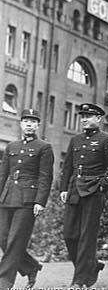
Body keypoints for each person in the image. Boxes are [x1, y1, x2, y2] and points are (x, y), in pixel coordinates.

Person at [60, 103, 108, 288]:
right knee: (69, 235)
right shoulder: (76, 140)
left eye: (89, 116)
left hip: (94, 192)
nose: (85, 119)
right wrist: (64, 188)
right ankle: (92, 265)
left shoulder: (107, 140)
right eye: (83, 116)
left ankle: (79, 281)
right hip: (74, 191)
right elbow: (68, 167)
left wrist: (102, 186)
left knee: (87, 237)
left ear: (99, 119)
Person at [0, 109, 54, 290]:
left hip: (28, 201)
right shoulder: (11, 147)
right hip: (7, 197)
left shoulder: (44, 147)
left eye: (33, 121)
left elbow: (45, 177)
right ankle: (31, 266)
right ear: (21, 124)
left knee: (15, 240)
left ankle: (4, 282)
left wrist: (40, 201)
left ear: (38, 125)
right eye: (26, 121)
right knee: (2, 237)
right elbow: (2, 175)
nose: (29, 124)